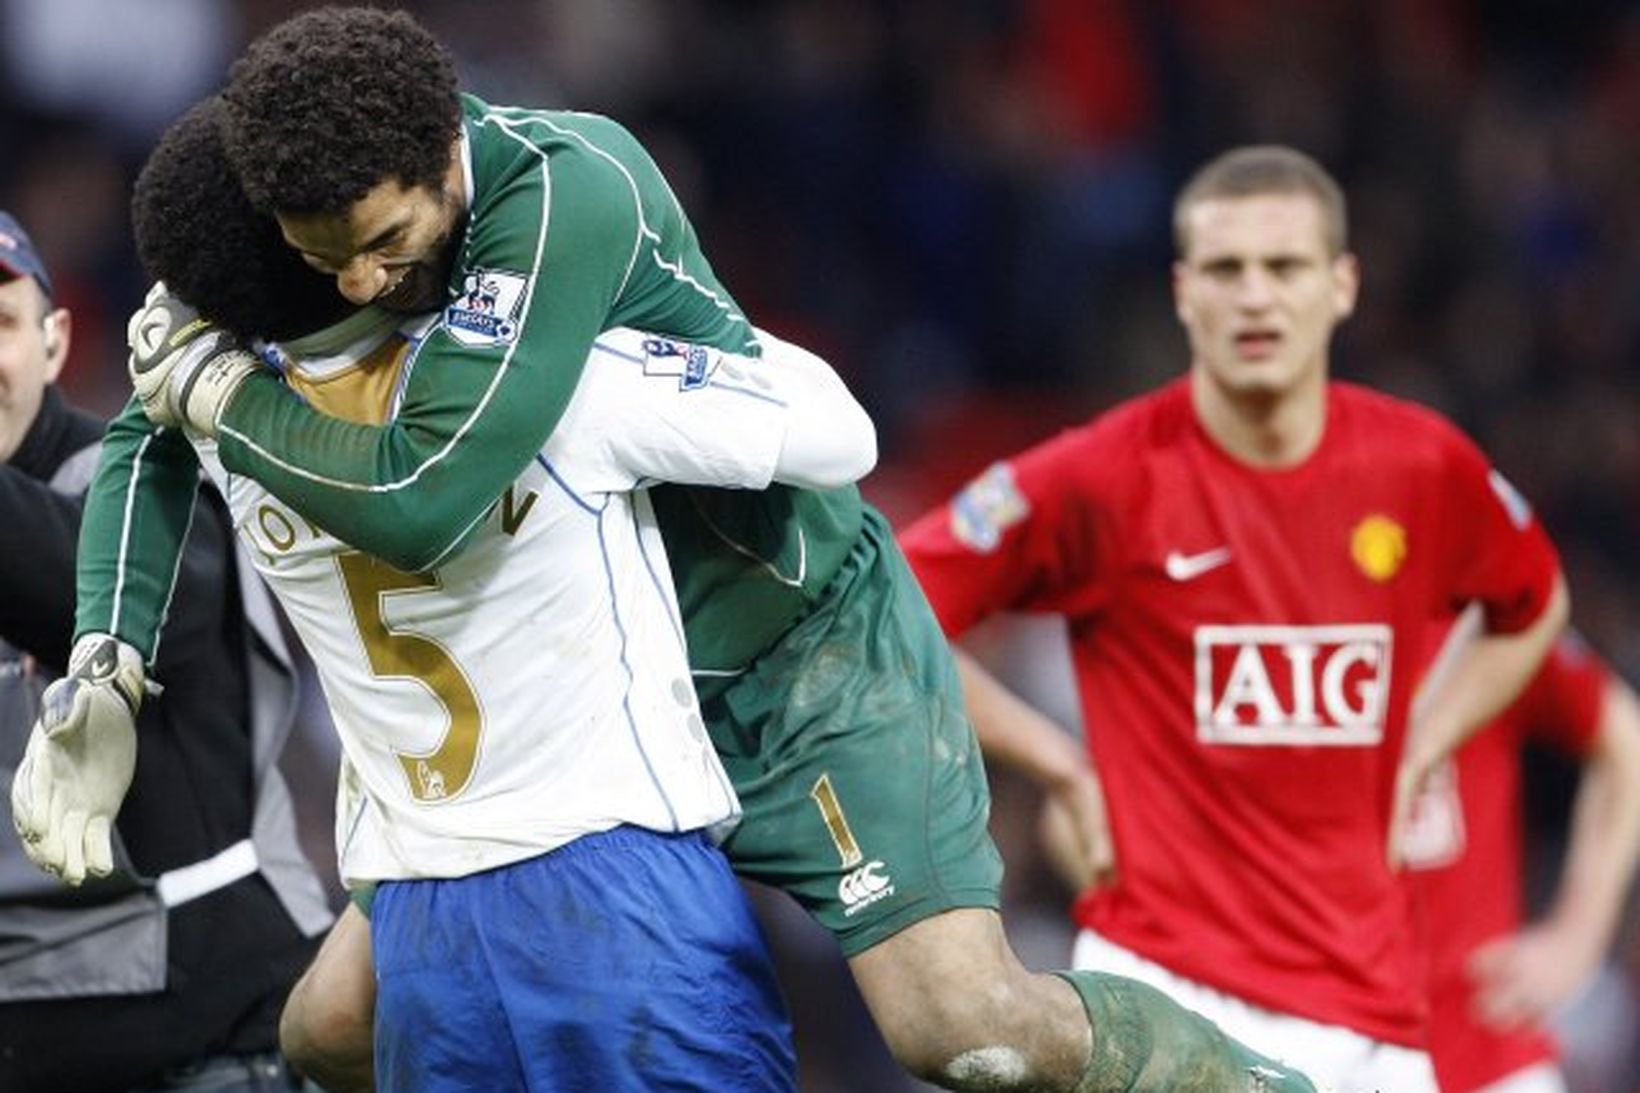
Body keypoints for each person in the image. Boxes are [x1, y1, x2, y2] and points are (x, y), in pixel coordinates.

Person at [27, 9, 1325, 1090]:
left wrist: (232, 397)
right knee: (325, 1031)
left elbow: (424, 492)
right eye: (328, 262)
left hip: (787, 663)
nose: (361, 286)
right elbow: (153, 429)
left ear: (445, 153)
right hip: (584, 708)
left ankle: (1258, 1083)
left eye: (384, 246)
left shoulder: (561, 196)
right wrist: (106, 660)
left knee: (964, 1030)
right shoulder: (296, 209)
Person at [897, 145, 1571, 1093]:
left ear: (1342, 285)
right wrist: (1055, 758)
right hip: (1161, 989)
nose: (1255, 296)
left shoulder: (1423, 469)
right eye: (1226, 269)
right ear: (1184, 291)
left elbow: (1535, 604)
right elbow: (895, 607)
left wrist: (1428, 735)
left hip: (1371, 1009)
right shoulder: (1105, 476)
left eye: (1285, 267)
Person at [0, 209, 333, 1089]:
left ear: (55, 341)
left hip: (211, 1045)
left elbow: (89, 591)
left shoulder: (143, 480)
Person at [1400, 613, 1640, 1093]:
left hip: (1482, 1048)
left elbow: (1625, 745)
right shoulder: (1270, 611)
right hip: (1316, 1041)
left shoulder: (1475, 613)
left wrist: (1578, 940)